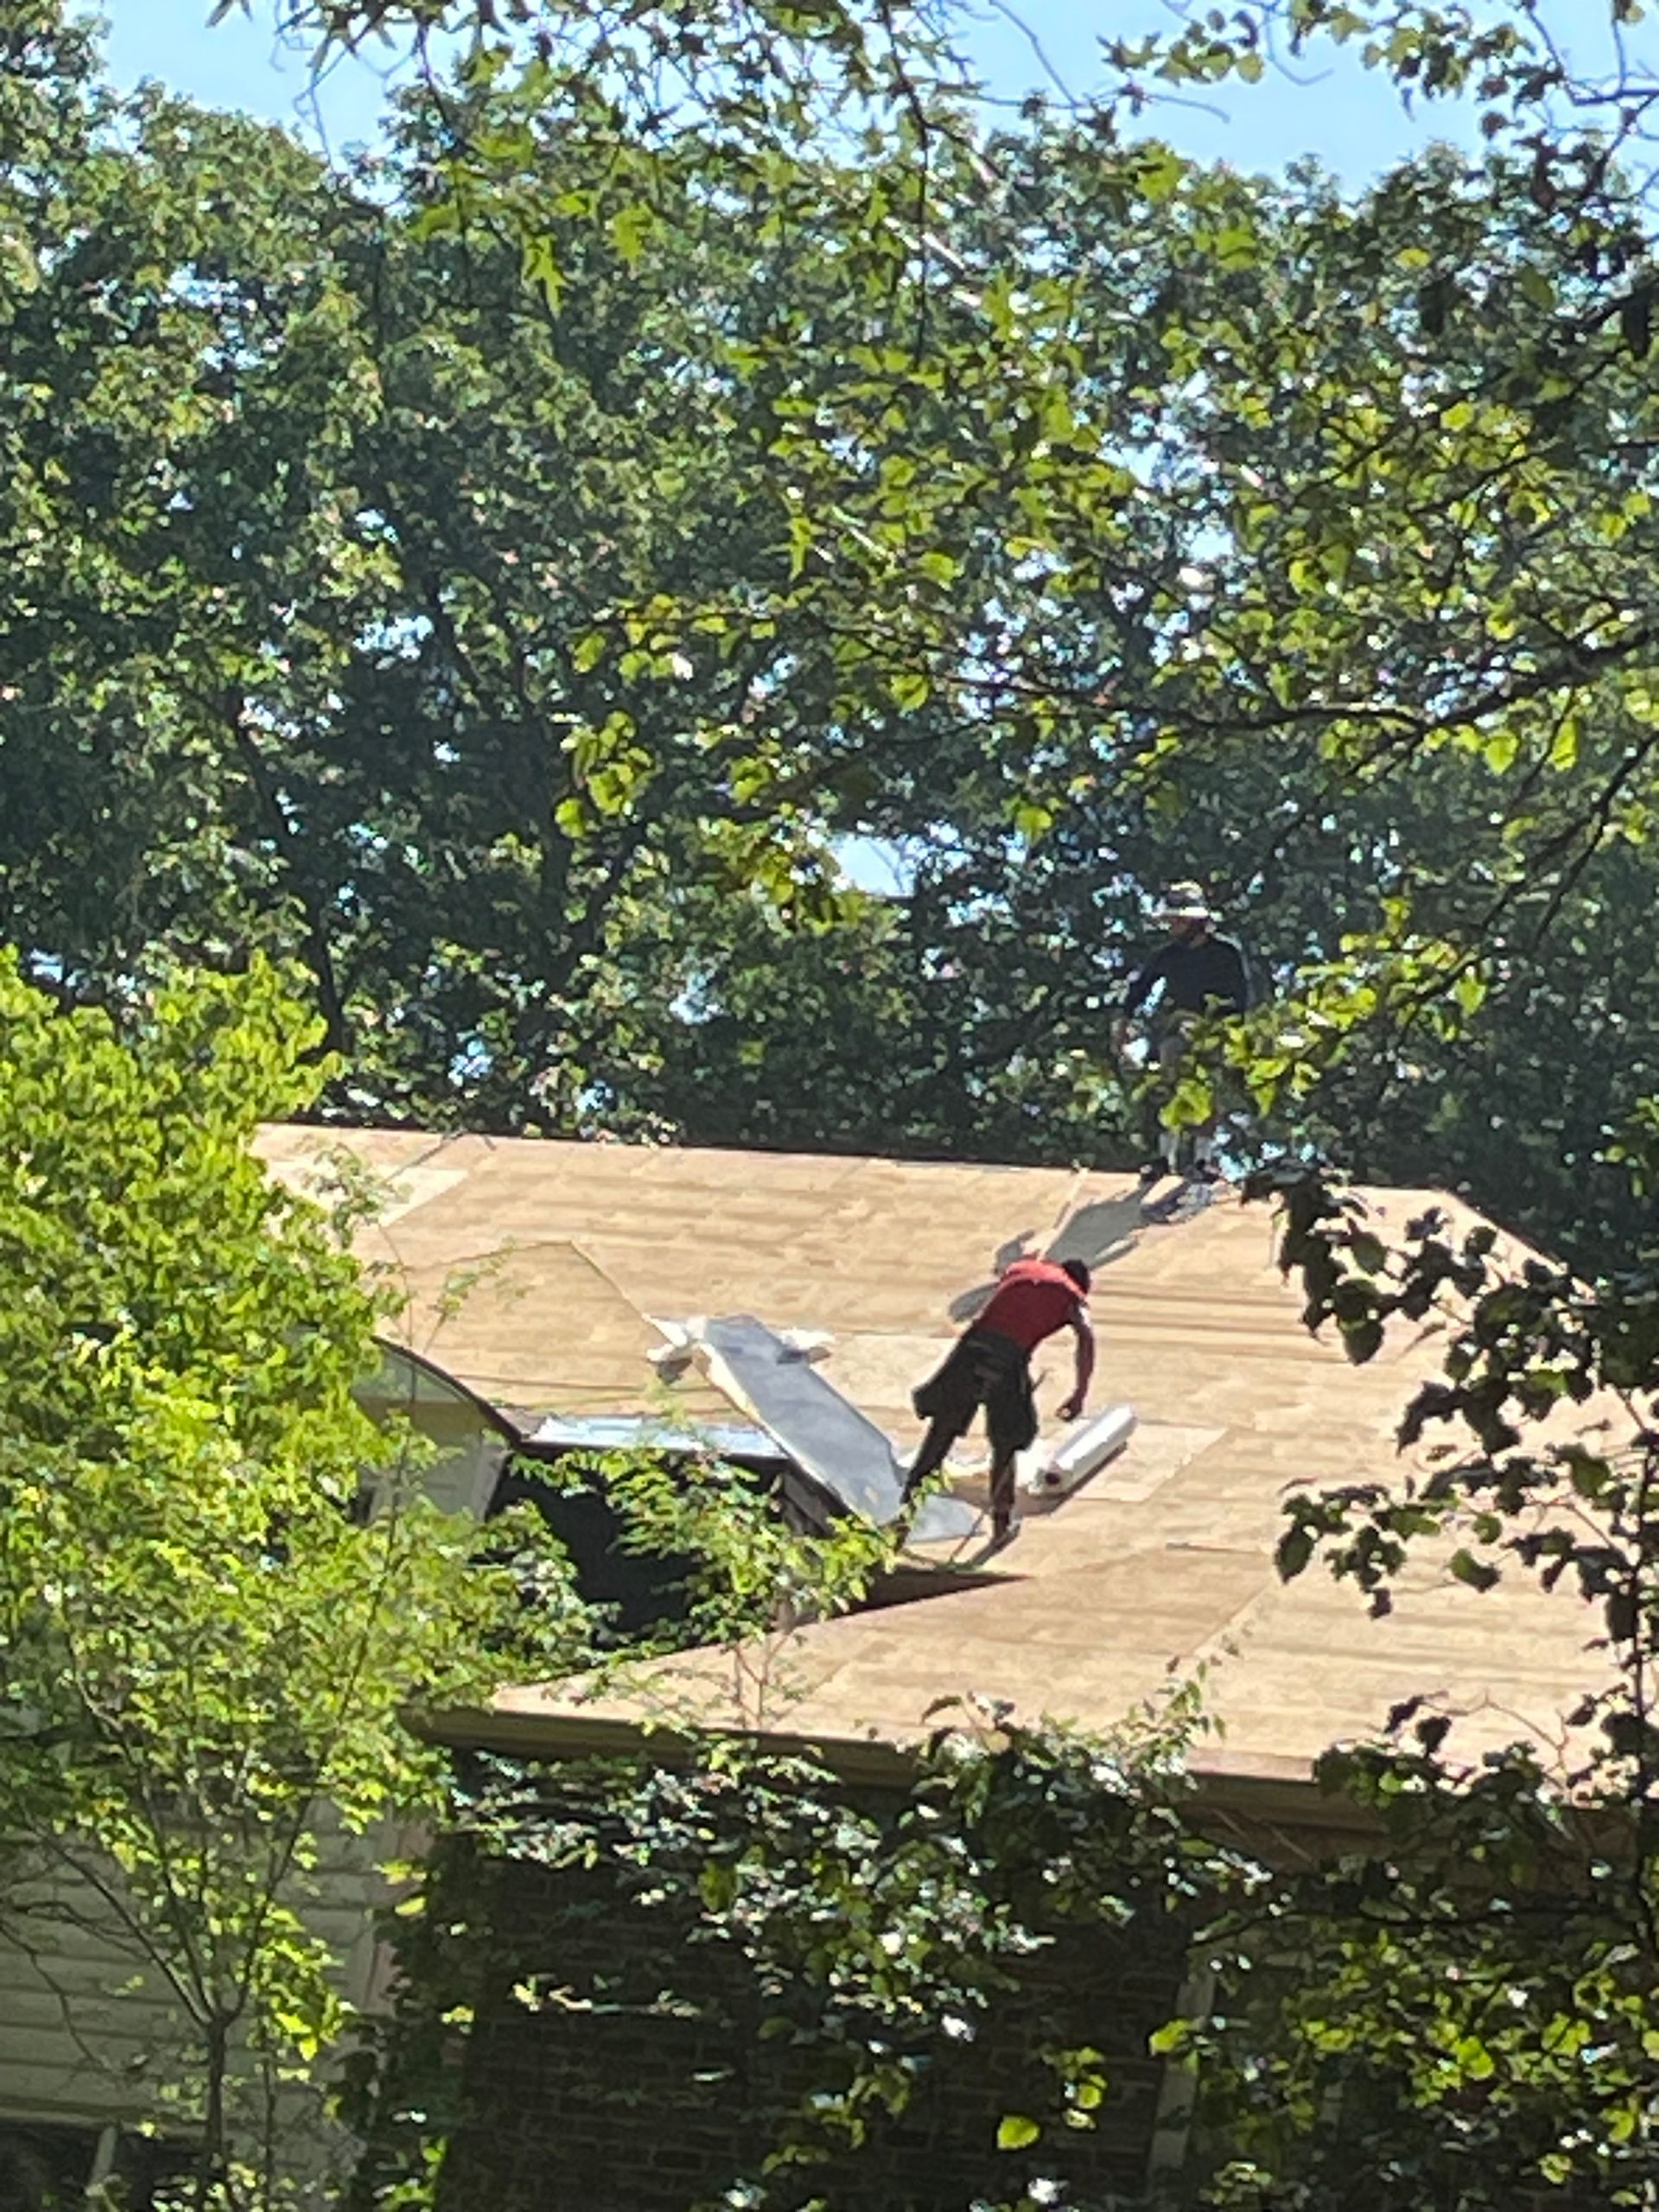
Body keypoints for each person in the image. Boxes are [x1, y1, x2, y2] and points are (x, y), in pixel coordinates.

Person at [903, 1256, 1094, 1547]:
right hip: (1009, 1358)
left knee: (942, 1431)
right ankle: (1001, 1525)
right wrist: (1080, 1393)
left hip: (972, 1348)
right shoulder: (1072, 1294)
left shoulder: (1023, 1267)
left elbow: (999, 1304)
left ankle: (903, 1517)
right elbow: (1086, 1335)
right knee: (1007, 1441)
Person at [1112, 882, 1251, 1184]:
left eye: (1179, 920)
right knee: (1169, 1081)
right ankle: (1165, 1157)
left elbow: (1240, 1000)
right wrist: (1124, 1021)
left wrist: (1230, 1036)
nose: (1173, 926)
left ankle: (1202, 1159)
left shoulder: (1225, 954)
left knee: (1206, 1089)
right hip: (1177, 1030)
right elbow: (1141, 986)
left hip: (1214, 1032)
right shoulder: (1169, 955)